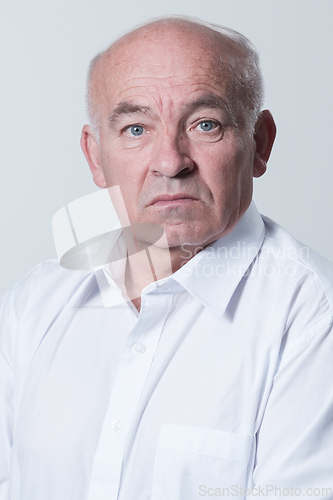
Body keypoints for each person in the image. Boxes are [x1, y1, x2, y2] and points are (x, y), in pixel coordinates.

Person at [0, 16, 333, 500]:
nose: (171, 161)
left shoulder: (312, 318)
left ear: (259, 144)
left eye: (205, 124)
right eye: (136, 128)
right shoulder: (35, 304)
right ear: (96, 157)